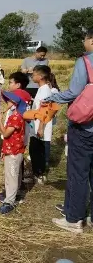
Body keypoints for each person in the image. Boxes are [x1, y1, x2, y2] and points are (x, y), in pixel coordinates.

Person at [46, 30, 93, 233]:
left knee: (77, 172)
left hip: (85, 126)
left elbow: (74, 92)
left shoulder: (85, 61)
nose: (83, 42)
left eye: (85, 39)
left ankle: (74, 218)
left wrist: (52, 98)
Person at [0, 90, 28, 214]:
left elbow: (5, 133)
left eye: (9, 100)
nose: (7, 102)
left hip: (13, 151)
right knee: (13, 175)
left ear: (15, 102)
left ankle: (9, 202)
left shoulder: (15, 117)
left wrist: (0, 120)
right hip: (14, 150)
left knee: (12, 176)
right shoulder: (18, 115)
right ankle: (12, 196)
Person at [27, 65, 53, 184]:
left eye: (35, 73)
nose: (32, 75)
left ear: (41, 76)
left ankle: (39, 174)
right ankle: (37, 173)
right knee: (35, 150)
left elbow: (45, 110)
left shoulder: (45, 90)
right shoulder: (42, 89)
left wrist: (41, 127)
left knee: (37, 150)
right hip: (36, 124)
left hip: (40, 125)